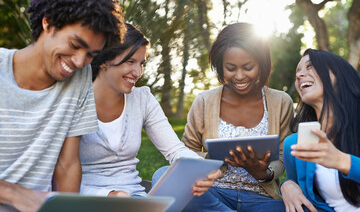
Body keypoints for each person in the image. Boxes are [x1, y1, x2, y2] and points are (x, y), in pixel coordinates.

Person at [0, 0, 124, 212]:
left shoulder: (80, 76)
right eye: (75, 44)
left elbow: (67, 164)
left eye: (90, 54)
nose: (79, 61)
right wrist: (14, 193)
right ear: (48, 22)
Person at [79, 23, 221, 197]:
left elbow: (175, 150)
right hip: (86, 198)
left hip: (134, 197)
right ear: (104, 60)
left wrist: (204, 168)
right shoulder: (77, 101)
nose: (138, 72)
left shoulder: (142, 99)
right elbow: (61, 173)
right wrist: (108, 195)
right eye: (130, 61)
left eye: (142, 64)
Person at [181, 22, 294, 211]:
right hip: (214, 193)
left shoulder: (281, 102)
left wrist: (263, 173)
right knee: (162, 174)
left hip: (261, 198)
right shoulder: (204, 101)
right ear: (220, 66)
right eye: (231, 68)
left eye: (248, 67)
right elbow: (185, 153)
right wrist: (211, 157)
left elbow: (283, 158)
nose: (240, 76)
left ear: (261, 63)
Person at [280, 49, 360, 212]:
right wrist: (287, 185)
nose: (300, 75)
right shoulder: (295, 144)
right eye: (298, 71)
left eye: (310, 67)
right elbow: (295, 185)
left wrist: (342, 161)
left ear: (338, 74)